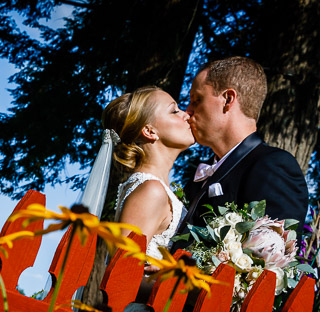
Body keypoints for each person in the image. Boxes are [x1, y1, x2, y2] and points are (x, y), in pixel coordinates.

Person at [179, 56, 308, 233]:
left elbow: (272, 255)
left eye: (197, 100)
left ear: (228, 100)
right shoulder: (201, 175)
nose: (188, 111)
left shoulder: (272, 166)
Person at [103, 86, 193, 269]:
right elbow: (120, 272)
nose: (186, 115)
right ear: (150, 131)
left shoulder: (156, 188)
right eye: (174, 110)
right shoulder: (151, 191)